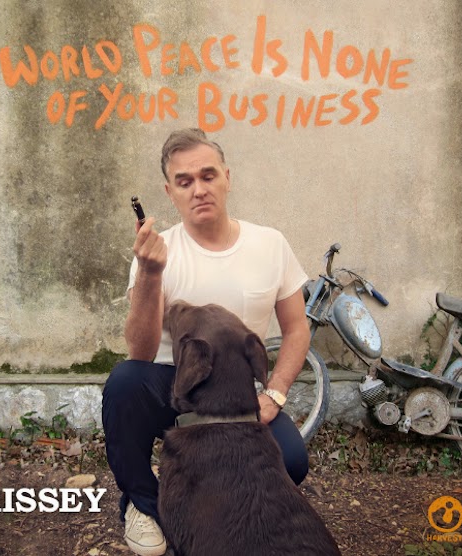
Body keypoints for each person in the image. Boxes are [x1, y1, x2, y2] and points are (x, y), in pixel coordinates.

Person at [102, 128, 311, 556]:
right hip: (171, 387)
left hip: (234, 394)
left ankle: (219, 507)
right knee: (124, 382)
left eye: (208, 175)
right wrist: (151, 274)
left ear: (227, 178)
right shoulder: (156, 252)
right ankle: (142, 503)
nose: (199, 189)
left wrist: (275, 392)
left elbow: (296, 329)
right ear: (170, 192)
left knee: (291, 461)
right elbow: (140, 353)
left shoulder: (270, 244)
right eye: (184, 181)